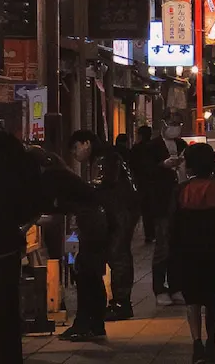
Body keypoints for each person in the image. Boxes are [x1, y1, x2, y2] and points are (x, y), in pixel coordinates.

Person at [0, 86, 41, 363]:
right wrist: (19, 222)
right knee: (5, 312)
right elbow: (30, 190)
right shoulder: (6, 145)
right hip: (2, 241)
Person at [28, 147, 109, 344]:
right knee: (90, 273)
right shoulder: (62, 174)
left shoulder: (52, 176)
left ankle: (84, 324)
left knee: (83, 272)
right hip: (93, 223)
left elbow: (43, 205)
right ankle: (95, 324)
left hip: (84, 226)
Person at [169, 143, 215, 364]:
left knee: (192, 298)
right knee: (211, 296)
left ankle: (197, 343)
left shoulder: (181, 190)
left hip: (187, 251)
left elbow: (173, 226)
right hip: (213, 250)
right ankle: (212, 342)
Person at [68, 129, 139, 321]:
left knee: (118, 255)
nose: (75, 154)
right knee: (116, 254)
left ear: (87, 144)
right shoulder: (105, 156)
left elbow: (103, 184)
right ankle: (119, 302)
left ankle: (121, 304)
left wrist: (81, 193)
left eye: (76, 148)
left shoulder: (105, 157)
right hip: (119, 211)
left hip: (121, 211)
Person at [148, 112, 188, 306]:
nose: (175, 127)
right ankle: (159, 288)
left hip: (181, 198)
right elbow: (145, 171)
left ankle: (176, 286)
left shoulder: (182, 145)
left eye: (178, 124)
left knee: (178, 245)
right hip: (162, 201)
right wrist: (162, 165)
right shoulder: (153, 146)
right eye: (172, 124)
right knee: (163, 246)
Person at [129, 125, 156, 243]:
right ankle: (154, 233)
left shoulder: (136, 149)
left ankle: (147, 235)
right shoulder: (155, 147)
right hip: (154, 182)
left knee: (143, 209)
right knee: (153, 209)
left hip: (140, 182)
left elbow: (131, 165)